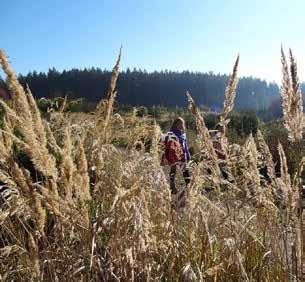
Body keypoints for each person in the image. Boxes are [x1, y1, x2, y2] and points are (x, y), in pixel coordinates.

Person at [161, 117, 191, 194]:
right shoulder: (171, 133)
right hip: (174, 156)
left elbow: (185, 145)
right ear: (175, 124)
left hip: (182, 155)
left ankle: (189, 185)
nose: (180, 125)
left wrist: (188, 154)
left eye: (182, 123)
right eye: (178, 123)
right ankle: (172, 187)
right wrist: (165, 156)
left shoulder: (183, 134)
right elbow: (166, 145)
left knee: (185, 171)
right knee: (173, 171)